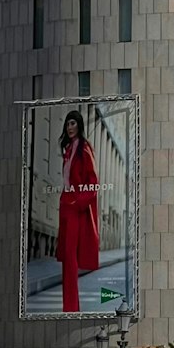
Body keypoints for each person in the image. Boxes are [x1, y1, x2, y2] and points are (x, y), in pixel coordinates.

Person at [56, 108, 100, 312]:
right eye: (67, 124)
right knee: (66, 257)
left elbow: (93, 182)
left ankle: (71, 307)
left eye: (73, 123)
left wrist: (78, 202)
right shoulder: (68, 150)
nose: (70, 127)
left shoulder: (83, 148)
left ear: (79, 125)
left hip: (74, 207)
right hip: (65, 205)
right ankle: (68, 306)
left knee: (72, 258)